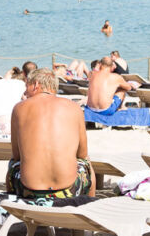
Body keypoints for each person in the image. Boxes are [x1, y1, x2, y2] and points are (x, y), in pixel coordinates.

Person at [9, 68, 94, 199]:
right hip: (69, 189)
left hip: (29, 190)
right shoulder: (74, 107)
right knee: (87, 163)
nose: (25, 92)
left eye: (27, 86)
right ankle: (90, 203)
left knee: (12, 164)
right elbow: (82, 154)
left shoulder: (19, 108)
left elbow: (16, 156)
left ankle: (13, 200)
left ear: (36, 84)